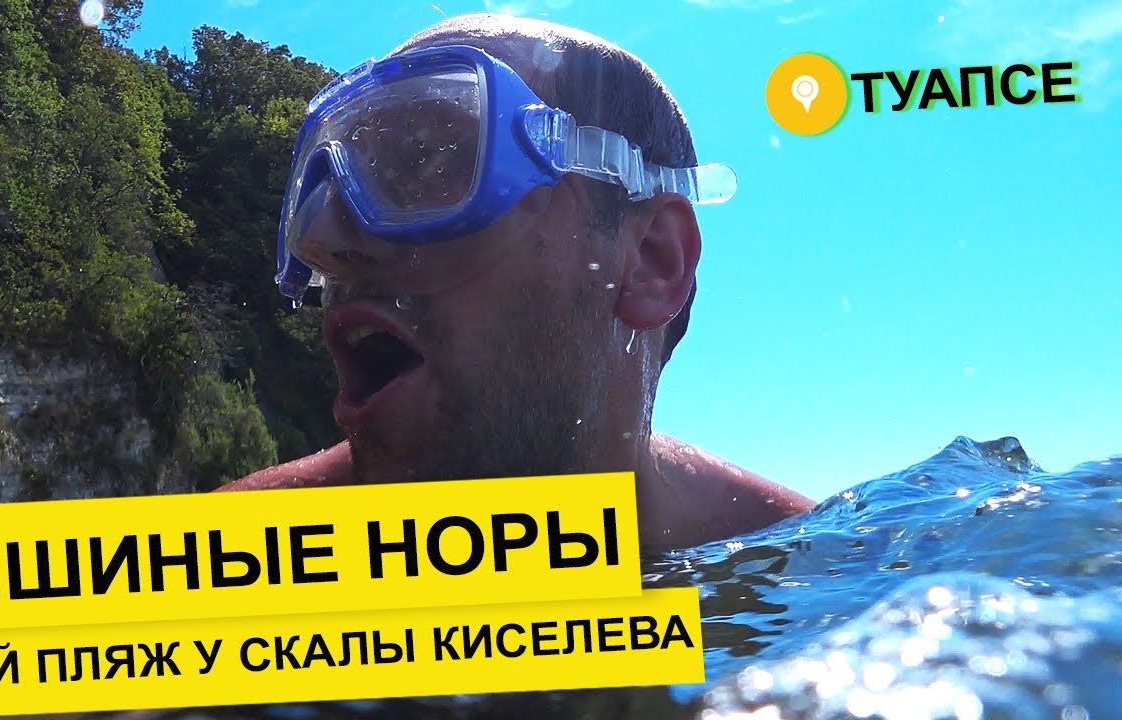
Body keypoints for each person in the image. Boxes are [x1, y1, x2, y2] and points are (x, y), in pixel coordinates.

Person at [219, 13, 814, 552]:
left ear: (652, 262)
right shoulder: (235, 555)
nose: (328, 236)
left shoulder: (804, 577)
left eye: (433, 162)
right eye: (320, 188)